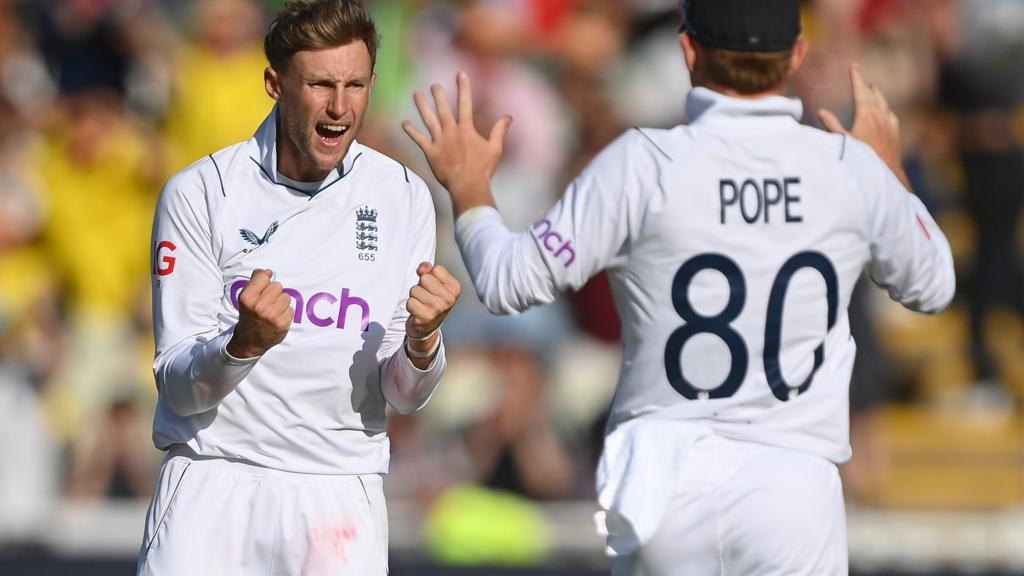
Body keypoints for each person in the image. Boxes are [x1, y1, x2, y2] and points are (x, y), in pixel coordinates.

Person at [404, 0, 955, 573]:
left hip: (663, 481)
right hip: (792, 489)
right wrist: (890, 170)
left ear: (688, 50)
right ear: (796, 54)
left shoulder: (640, 163)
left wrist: (469, 186)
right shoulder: (848, 166)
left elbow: (504, 281)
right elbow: (933, 285)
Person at [138, 1, 460, 574]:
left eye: (355, 84)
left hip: (338, 495)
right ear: (275, 82)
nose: (340, 107)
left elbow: (405, 394)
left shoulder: (402, 195)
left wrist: (423, 340)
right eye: (320, 84)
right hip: (215, 485)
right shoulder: (200, 193)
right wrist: (245, 344)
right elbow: (178, 388)